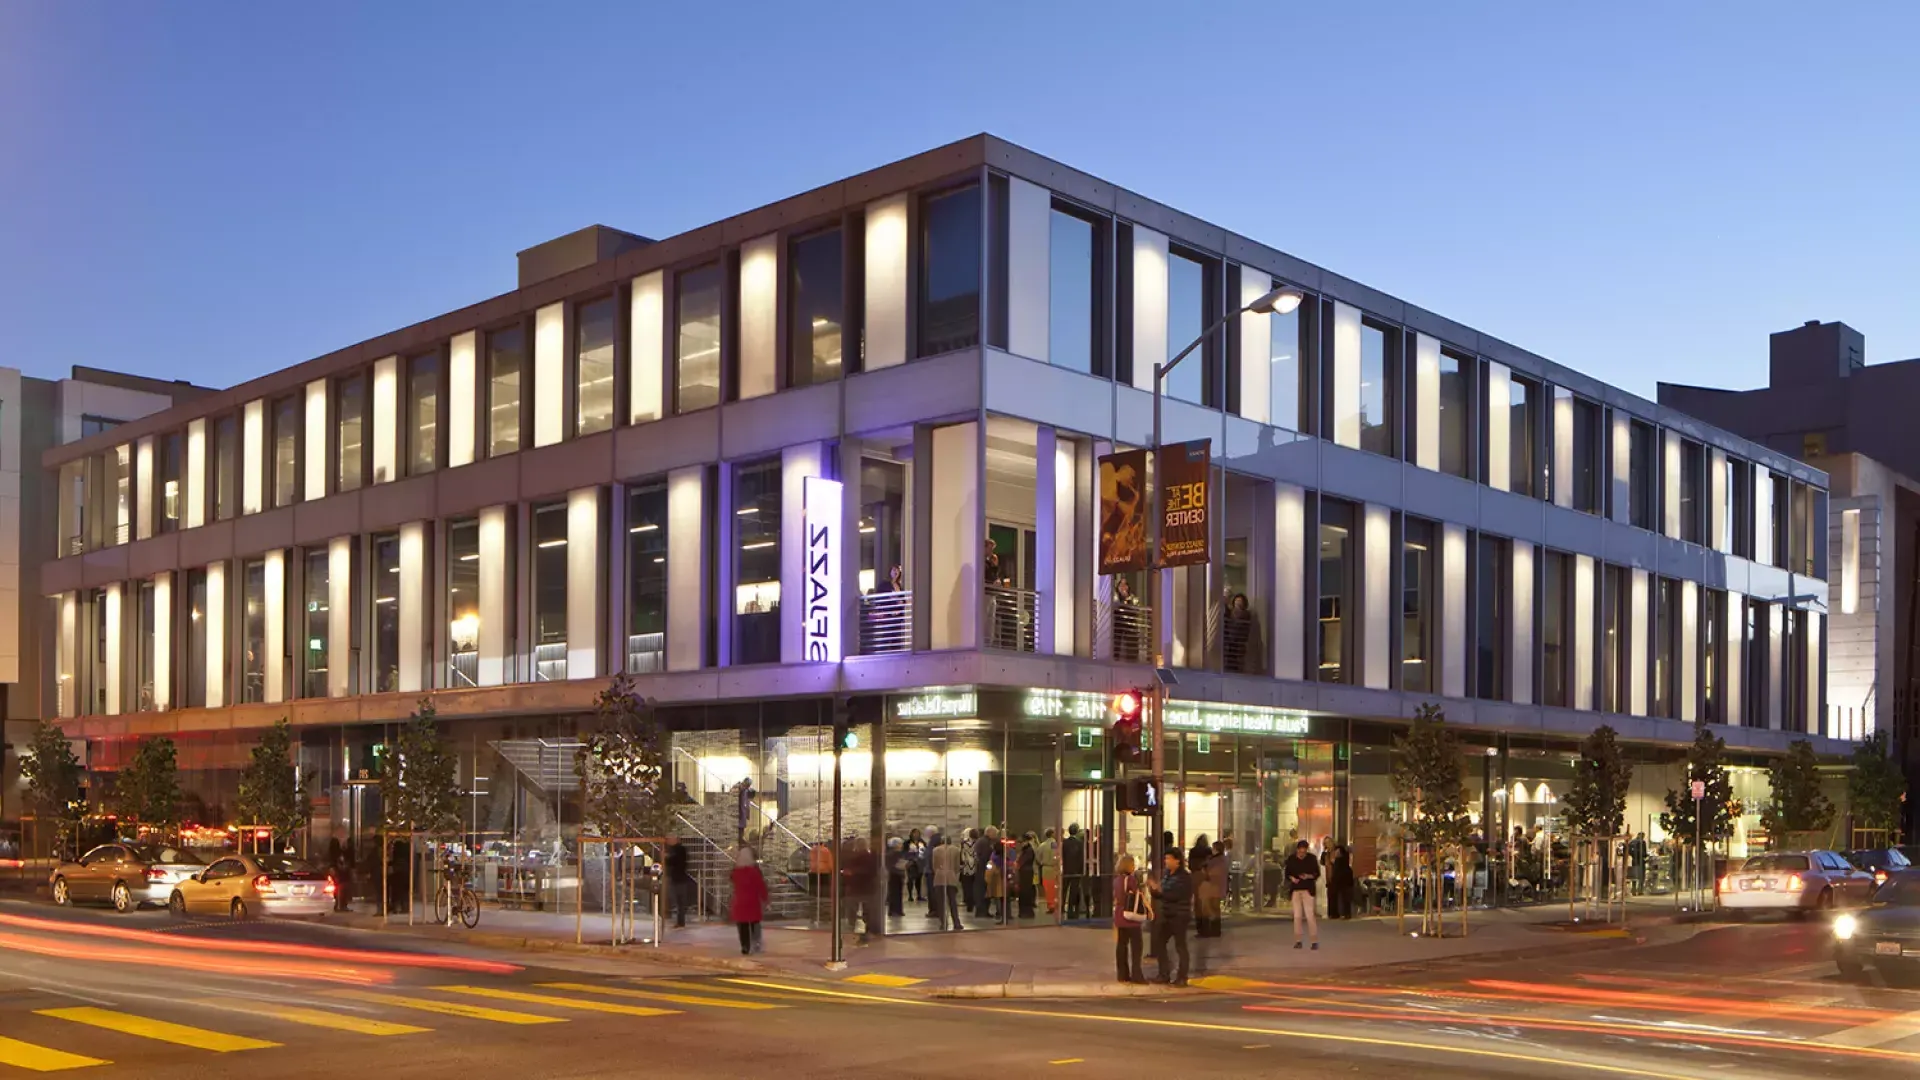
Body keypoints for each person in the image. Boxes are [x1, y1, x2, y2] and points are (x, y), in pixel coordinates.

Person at [1148, 849, 1192, 987]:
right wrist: (1154, 890)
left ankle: (1182, 976)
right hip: (1167, 914)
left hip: (1179, 915)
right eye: (1165, 858)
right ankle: (1163, 974)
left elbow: (1174, 894)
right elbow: (1163, 893)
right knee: (1160, 942)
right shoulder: (1167, 874)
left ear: (1177, 861)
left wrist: (1160, 890)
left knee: (1180, 946)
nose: (1166, 861)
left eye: (1169, 859)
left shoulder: (1184, 877)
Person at [1112, 854, 1150, 984]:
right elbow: (1137, 896)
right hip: (1130, 917)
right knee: (1136, 947)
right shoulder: (1131, 880)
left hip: (1119, 915)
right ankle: (1137, 975)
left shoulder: (1117, 880)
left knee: (1121, 945)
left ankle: (1122, 974)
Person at [730, 846, 767, 955]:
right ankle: (756, 943)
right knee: (754, 923)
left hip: (740, 903)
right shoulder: (754, 872)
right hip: (753, 902)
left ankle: (745, 946)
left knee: (742, 926)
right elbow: (761, 886)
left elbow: (731, 881)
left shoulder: (736, 873)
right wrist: (765, 898)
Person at [1284, 839, 1320, 949]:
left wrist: (1308, 876)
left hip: (1307, 889)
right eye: (1300, 852)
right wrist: (1292, 878)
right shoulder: (1291, 859)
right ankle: (1298, 940)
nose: (1302, 854)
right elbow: (1287, 873)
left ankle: (1314, 941)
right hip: (1296, 889)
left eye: (1304, 852)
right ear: (1297, 850)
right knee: (1297, 916)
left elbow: (1317, 873)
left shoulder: (1312, 859)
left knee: (1310, 915)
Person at [1221, 591, 1264, 674]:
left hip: (1238, 649)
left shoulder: (1246, 616)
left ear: (1244, 605)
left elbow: (1240, 632)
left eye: (1240, 603)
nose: (1237, 605)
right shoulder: (1229, 614)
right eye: (1236, 602)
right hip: (1228, 648)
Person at [930, 834, 963, 931]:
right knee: (952, 901)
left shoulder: (935, 850)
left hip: (939, 877)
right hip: (951, 877)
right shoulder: (956, 850)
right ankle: (956, 922)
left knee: (940, 902)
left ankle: (943, 923)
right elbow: (957, 866)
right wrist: (953, 872)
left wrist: (938, 872)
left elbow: (934, 865)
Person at [664, 834, 695, 928]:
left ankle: (680, 921)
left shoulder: (679, 850)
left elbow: (676, 861)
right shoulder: (675, 849)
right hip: (677, 877)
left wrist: (666, 857)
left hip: (679, 878)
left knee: (680, 901)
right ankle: (680, 921)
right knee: (678, 901)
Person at [1060, 824, 1087, 919]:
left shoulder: (1065, 842)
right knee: (1073, 891)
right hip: (1076, 871)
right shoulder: (1080, 843)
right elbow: (1081, 858)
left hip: (1066, 870)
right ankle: (1071, 908)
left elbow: (1062, 856)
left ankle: (1061, 907)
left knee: (1063, 890)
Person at [1326, 843, 1355, 919]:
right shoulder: (1341, 861)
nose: (1336, 853)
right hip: (1342, 879)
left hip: (1343, 880)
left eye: (1337, 852)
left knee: (1344, 897)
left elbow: (1337, 871)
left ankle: (1342, 913)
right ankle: (1340, 913)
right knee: (1342, 897)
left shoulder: (1340, 861)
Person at [1016, 832, 1038, 919]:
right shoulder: (1026, 850)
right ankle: (1024, 912)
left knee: (1025, 892)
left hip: (1026, 873)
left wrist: (1017, 864)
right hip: (1025, 872)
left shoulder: (1028, 850)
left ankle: (1026, 912)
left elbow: (1022, 862)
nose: (1019, 844)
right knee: (1024, 892)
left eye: (1021, 842)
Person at [1037, 828, 1059, 915]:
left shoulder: (1042, 845)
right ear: (1053, 834)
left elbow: (1038, 857)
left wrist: (1042, 862)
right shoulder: (1055, 844)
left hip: (1045, 868)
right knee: (1055, 889)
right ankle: (1055, 905)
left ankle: (1050, 905)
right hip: (1054, 868)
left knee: (1047, 889)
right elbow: (1057, 855)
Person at [960, 827, 981, 915]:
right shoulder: (978, 843)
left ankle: (969, 905)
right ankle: (976, 902)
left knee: (967, 887)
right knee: (975, 887)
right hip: (976, 867)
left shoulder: (964, 843)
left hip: (966, 867)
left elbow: (961, 854)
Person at [885, 836, 907, 917]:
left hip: (898, 873)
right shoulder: (892, 854)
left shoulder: (899, 853)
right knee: (894, 893)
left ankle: (897, 910)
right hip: (894, 874)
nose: (901, 845)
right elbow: (890, 864)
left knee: (898, 893)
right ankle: (894, 910)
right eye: (900, 844)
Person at [904, 828, 927, 905]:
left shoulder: (922, 842)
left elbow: (924, 851)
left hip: (919, 863)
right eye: (915, 833)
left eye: (917, 833)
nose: (916, 835)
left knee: (919, 880)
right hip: (911, 863)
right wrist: (910, 859)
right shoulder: (907, 843)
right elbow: (904, 852)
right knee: (910, 879)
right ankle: (910, 895)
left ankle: (919, 895)